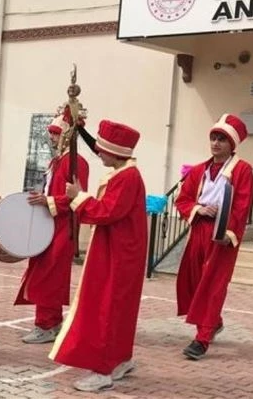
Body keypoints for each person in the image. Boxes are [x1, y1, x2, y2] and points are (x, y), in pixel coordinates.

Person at [49, 119, 146, 392]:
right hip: (120, 251)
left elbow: (106, 212)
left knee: (107, 309)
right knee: (119, 309)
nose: (98, 153)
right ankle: (120, 359)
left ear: (115, 152)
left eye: (102, 149)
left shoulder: (126, 177)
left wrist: (78, 197)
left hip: (118, 255)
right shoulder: (124, 173)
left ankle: (102, 370)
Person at [175, 113, 253, 361]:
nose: (216, 143)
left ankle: (202, 338)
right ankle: (214, 321)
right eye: (213, 138)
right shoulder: (199, 170)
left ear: (232, 144)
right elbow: (183, 199)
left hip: (223, 232)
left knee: (213, 284)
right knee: (195, 281)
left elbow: (241, 205)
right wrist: (198, 209)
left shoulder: (242, 170)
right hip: (200, 229)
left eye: (222, 139)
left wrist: (228, 232)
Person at [17, 115, 89, 344]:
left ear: (67, 135)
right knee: (48, 275)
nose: (51, 137)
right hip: (50, 224)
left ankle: (45, 325)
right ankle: (52, 322)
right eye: (51, 133)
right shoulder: (57, 161)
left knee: (48, 276)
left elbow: (77, 197)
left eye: (56, 133)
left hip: (62, 227)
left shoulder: (76, 162)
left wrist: (47, 201)